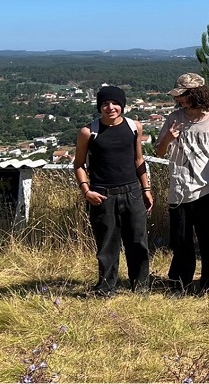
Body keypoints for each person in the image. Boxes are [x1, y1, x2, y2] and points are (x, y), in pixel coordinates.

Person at [73, 85, 153, 296]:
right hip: (102, 194)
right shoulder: (88, 132)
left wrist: (146, 188)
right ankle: (106, 287)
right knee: (107, 244)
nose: (111, 107)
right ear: (99, 107)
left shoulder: (134, 127)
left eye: (115, 103)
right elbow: (79, 164)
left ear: (122, 105)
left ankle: (141, 285)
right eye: (105, 104)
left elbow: (139, 159)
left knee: (138, 240)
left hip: (132, 191)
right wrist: (86, 191)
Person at [155, 73, 209, 293]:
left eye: (183, 95)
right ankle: (179, 282)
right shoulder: (174, 118)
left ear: (196, 94)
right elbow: (160, 151)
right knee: (181, 240)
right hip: (181, 188)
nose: (179, 99)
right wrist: (169, 137)